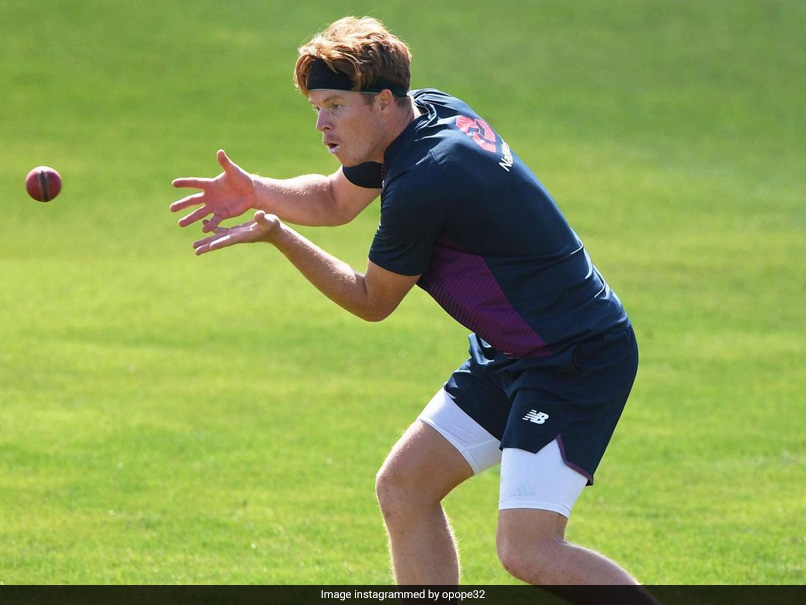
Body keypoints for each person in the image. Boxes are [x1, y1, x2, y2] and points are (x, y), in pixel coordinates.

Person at [170, 16, 645, 588]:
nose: (321, 123)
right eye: (316, 106)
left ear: (384, 101)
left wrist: (278, 234)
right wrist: (255, 191)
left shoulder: (425, 181)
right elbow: (333, 198)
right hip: (512, 351)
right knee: (405, 488)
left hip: (575, 359)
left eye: (335, 106)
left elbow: (371, 300)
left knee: (528, 550)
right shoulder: (429, 112)